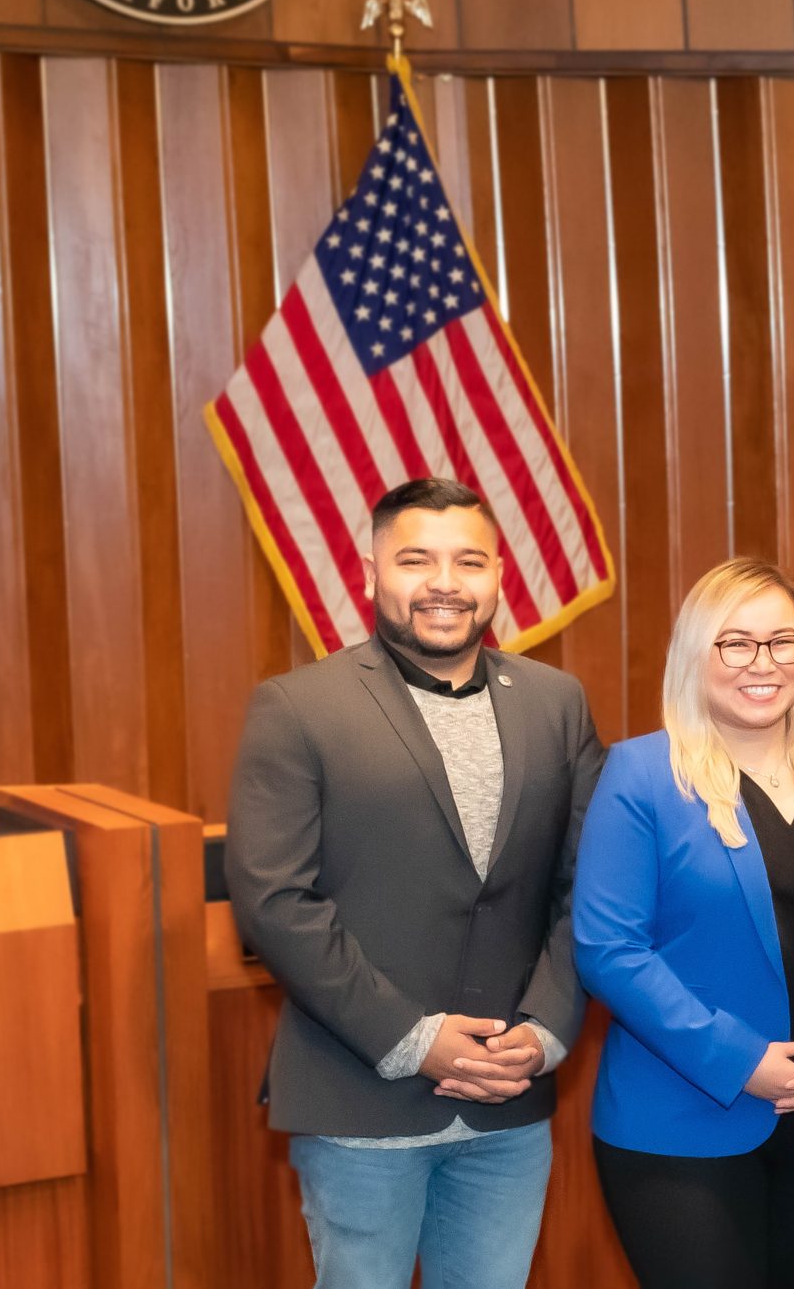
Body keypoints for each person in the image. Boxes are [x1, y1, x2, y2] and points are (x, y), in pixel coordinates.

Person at [225, 478, 602, 1289]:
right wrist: (413, 1039)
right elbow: (274, 902)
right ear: (370, 572)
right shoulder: (297, 708)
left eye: (469, 561)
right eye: (416, 559)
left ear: (499, 574)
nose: (444, 582)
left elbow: (588, 890)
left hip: (509, 1098)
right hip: (361, 1098)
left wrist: (545, 1031)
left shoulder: (556, 703)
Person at [574, 558, 794, 1289]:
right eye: (735, 643)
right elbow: (610, 951)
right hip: (682, 1123)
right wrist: (741, 1062)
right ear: (697, 654)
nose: (761, 664)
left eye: (782, 642)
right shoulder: (640, 776)